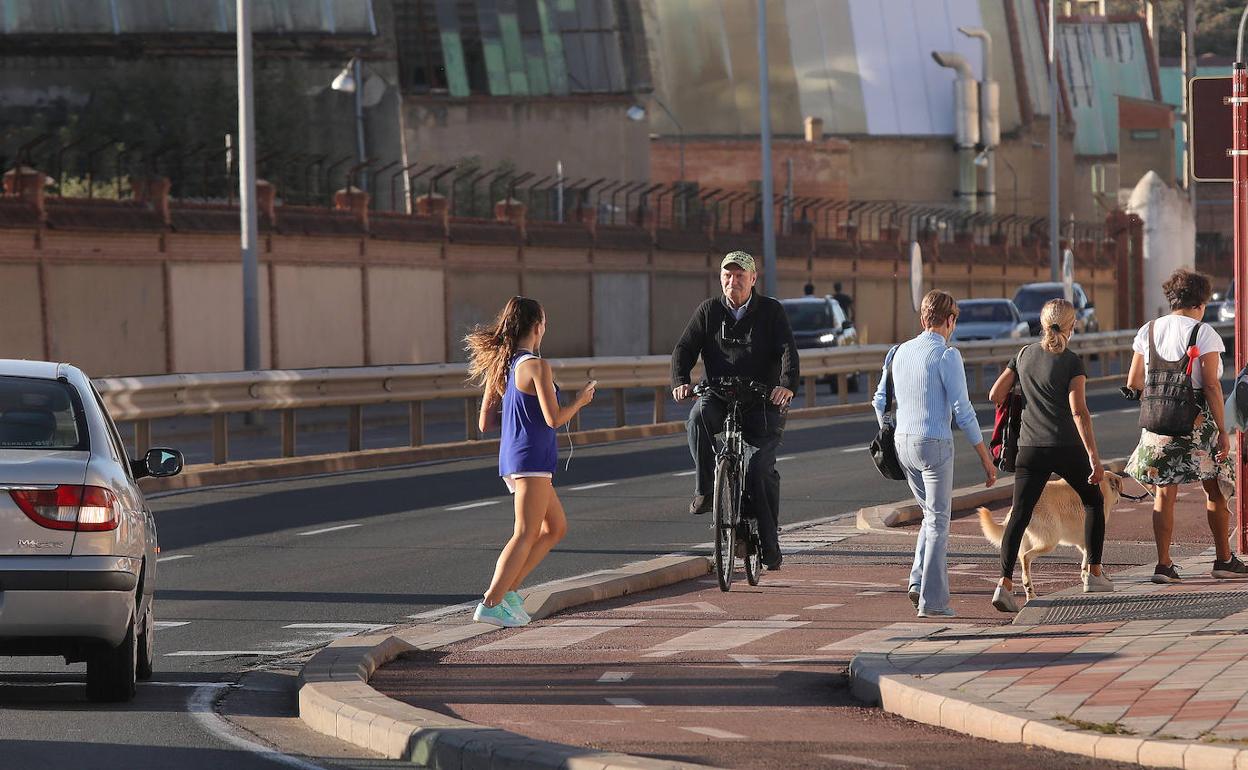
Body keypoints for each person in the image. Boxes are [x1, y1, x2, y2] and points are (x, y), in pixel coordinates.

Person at [465, 296, 597, 627]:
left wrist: (514, 406)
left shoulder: (503, 365)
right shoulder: (537, 366)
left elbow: (484, 423)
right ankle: (492, 601)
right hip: (531, 458)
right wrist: (580, 401)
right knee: (525, 532)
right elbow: (554, 419)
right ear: (537, 327)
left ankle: (508, 592)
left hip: (515, 456)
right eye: (545, 323)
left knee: (555, 527)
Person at [671, 251, 799, 570]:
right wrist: (681, 380)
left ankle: (769, 542)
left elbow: (787, 350)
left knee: (758, 470)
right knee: (697, 418)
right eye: (727, 276)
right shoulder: (709, 311)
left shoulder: (771, 311)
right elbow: (684, 348)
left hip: (762, 402)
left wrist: (786, 385)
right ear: (720, 279)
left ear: (753, 279)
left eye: (740, 275)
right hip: (719, 394)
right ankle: (705, 489)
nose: (733, 281)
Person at [874, 290, 997, 618]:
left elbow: (878, 399)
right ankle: (934, 602)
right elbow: (963, 411)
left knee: (930, 515)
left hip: (903, 443)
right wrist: (986, 458)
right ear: (951, 320)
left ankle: (917, 582)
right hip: (935, 443)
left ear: (923, 318)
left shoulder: (898, 352)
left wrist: (887, 430)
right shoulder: (947, 356)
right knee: (940, 520)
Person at [988, 299, 1110, 613]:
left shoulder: (1024, 354)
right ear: (1072, 325)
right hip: (1067, 446)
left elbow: (995, 394)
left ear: (1042, 324)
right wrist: (1094, 458)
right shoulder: (1072, 362)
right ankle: (1094, 573)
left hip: (1030, 448)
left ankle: (1004, 583)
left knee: (1019, 513)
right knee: (1093, 500)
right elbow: (1079, 411)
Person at [1123, 269, 1245, 583]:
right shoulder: (1204, 334)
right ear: (1201, 302)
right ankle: (1223, 559)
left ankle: (1163, 565)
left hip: (1158, 423)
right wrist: (1222, 430)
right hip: (1197, 425)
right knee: (1216, 489)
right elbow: (1211, 386)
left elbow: (1134, 382)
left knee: (1164, 495)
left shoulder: (1147, 330)